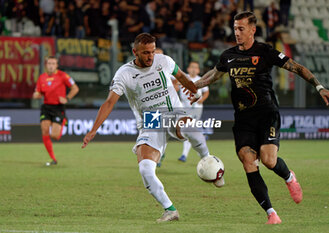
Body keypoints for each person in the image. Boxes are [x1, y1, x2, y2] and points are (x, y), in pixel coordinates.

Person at [192, 11, 329, 224]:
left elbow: (297, 67)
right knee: (248, 161)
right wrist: (193, 85)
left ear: (253, 30)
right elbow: (213, 75)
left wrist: (320, 87)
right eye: (235, 28)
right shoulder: (228, 55)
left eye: (241, 29)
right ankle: (271, 213)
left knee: (269, 161)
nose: (237, 33)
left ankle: (289, 177)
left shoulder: (265, 51)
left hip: (266, 114)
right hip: (243, 119)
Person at [82, 33, 224, 223]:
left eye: (152, 51)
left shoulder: (163, 61)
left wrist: (194, 90)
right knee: (146, 170)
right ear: (135, 52)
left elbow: (181, 76)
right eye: (146, 53)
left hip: (172, 111)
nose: (150, 56)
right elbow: (109, 103)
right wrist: (93, 130)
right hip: (151, 121)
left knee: (190, 126)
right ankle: (170, 210)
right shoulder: (124, 74)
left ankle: (209, 161)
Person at [33, 56, 79, 166]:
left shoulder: (63, 76)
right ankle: (53, 158)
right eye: (49, 63)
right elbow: (38, 92)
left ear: (56, 65)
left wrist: (67, 98)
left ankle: (63, 121)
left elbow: (75, 88)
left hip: (58, 107)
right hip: (46, 107)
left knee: (55, 136)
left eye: (53, 63)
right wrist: (36, 95)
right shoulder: (42, 78)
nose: (51, 65)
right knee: (44, 130)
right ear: (46, 65)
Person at [178, 61, 209, 162]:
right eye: (192, 67)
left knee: (188, 129)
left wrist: (202, 100)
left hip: (196, 108)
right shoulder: (183, 77)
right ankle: (202, 147)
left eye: (196, 67)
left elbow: (206, 92)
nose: (193, 69)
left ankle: (184, 155)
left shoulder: (201, 79)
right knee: (187, 130)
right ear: (188, 69)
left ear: (199, 70)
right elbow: (174, 86)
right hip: (184, 106)